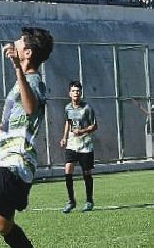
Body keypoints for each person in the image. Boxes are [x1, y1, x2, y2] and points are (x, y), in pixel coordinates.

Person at [0, 27, 54, 248]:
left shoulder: (34, 81)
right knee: (2, 224)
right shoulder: (23, 82)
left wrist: (17, 69)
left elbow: (29, 108)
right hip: (13, 163)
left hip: (16, 163)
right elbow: (12, 122)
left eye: (18, 42)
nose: (13, 44)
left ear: (27, 53)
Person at [60, 81, 98, 213]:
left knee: (86, 173)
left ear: (81, 93)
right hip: (71, 144)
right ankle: (71, 201)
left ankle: (89, 201)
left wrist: (82, 131)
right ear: (70, 93)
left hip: (85, 144)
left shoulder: (87, 108)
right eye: (74, 91)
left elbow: (95, 126)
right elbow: (68, 122)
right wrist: (64, 137)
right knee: (67, 171)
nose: (76, 93)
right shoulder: (68, 108)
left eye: (78, 91)